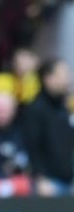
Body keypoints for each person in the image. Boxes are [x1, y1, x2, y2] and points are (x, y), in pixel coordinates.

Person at [23, 58, 73, 195]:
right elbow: (32, 146)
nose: (67, 80)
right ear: (48, 79)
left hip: (69, 180)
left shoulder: (64, 107)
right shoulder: (35, 108)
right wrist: (40, 178)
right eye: (62, 76)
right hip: (49, 184)